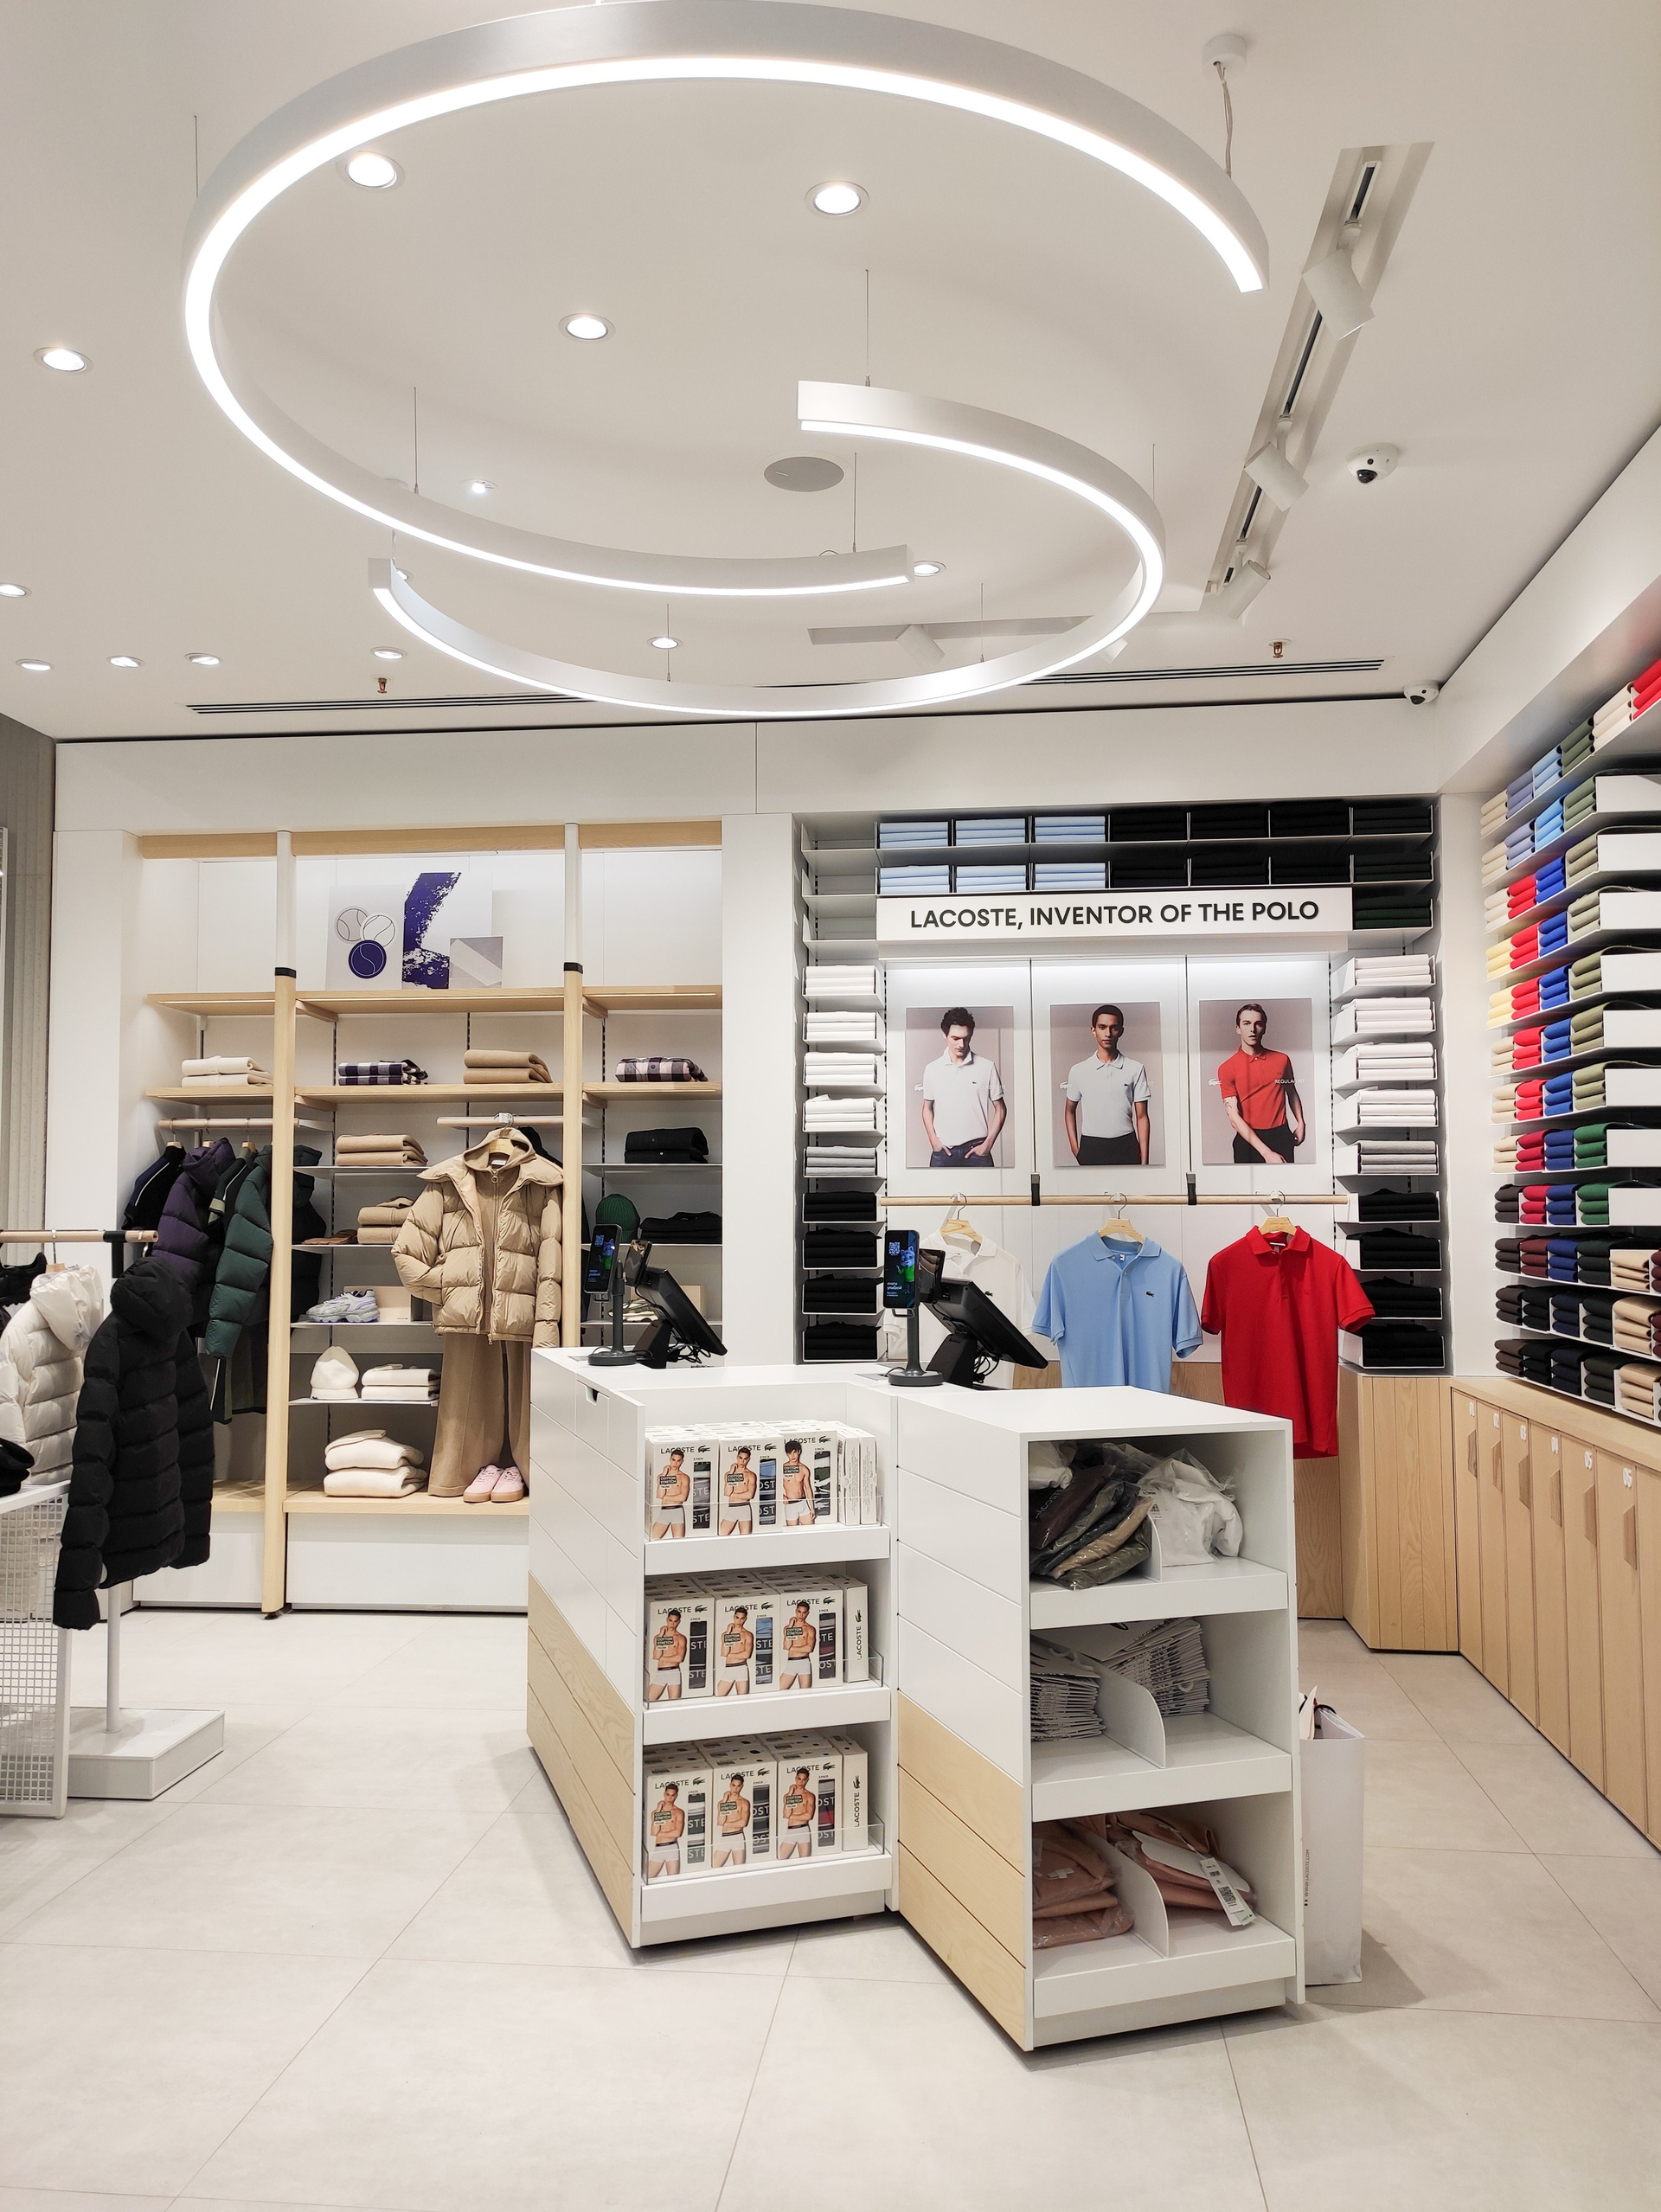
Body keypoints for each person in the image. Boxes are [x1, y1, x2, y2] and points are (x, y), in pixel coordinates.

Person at [1062, 1003, 1151, 1166]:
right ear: (1093, 1030)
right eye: (1102, 1027)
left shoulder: (1135, 1068)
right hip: (1091, 1146)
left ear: (1121, 1031)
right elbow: (1069, 1111)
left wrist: (1144, 1161)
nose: (1108, 1034)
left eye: (1114, 1028)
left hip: (1126, 1145)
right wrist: (1075, 1149)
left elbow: (1142, 1117)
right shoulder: (1078, 1070)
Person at [1217, 1003, 1305, 1164]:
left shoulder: (1282, 1060)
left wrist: (1301, 1123)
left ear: (1264, 1028)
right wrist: (1266, 1152)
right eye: (1246, 1024)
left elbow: (1291, 1092)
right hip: (1248, 1141)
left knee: (1286, 1181)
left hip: (1281, 1136)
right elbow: (1234, 1118)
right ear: (1238, 1028)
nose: (1252, 1029)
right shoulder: (1227, 1068)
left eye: (1258, 1024)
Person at [920, 1006, 1005, 1167]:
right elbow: (927, 1107)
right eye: (955, 1038)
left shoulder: (987, 1067)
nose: (961, 1044)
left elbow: (1000, 1109)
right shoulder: (932, 1069)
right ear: (944, 1035)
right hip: (943, 1152)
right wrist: (933, 1139)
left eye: (966, 1038)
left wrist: (988, 1145)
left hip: (978, 1152)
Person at [647, 1780, 684, 1878]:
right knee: (647, 1876)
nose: (670, 1798)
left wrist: (659, 1833)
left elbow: (677, 1833)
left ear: (676, 1796)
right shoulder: (656, 1812)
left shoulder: (678, 1812)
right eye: (668, 1795)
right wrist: (658, 1811)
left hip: (672, 1847)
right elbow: (654, 1831)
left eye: (672, 1795)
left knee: (673, 1879)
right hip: (659, 1847)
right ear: (664, 1794)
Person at [647, 1607, 686, 1701]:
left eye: (675, 1621)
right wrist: (661, 1635)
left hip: (674, 1672)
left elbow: (679, 1658)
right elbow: (656, 1655)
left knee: (674, 1703)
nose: (672, 1624)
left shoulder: (681, 1638)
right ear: (667, 1620)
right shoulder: (658, 1637)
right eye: (670, 1620)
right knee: (648, 1699)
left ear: (678, 1622)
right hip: (661, 1672)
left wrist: (661, 1657)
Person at [651, 1446, 689, 1540]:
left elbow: (683, 1497)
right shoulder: (662, 1476)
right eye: (673, 1460)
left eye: (678, 1461)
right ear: (670, 1459)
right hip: (664, 1511)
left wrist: (665, 1497)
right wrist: (664, 1475)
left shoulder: (684, 1477)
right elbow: (660, 1495)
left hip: (677, 1511)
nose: (675, 1463)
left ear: (682, 1462)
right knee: (653, 1538)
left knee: (678, 1542)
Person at [714, 1773, 750, 1867]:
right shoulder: (722, 1802)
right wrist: (724, 1801)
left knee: (739, 1869)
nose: (735, 1788)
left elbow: (743, 1823)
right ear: (730, 1785)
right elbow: (720, 1821)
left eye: (738, 1786)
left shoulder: (744, 1802)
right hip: (725, 1837)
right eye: (733, 1785)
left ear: (741, 1787)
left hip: (738, 1837)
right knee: (714, 1866)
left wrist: (725, 1823)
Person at [716, 1603, 753, 1696]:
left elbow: (747, 1655)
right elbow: (724, 1652)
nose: (739, 1621)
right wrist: (728, 1633)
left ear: (745, 1619)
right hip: (729, 1668)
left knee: (743, 1699)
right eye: (737, 1618)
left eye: (742, 1618)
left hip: (742, 1668)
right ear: (734, 1617)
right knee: (718, 1696)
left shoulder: (748, 1635)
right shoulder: (726, 1634)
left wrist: (730, 1654)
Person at [779, 1765, 814, 1858]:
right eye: (799, 1779)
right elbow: (786, 1814)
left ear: (807, 1780)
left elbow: (808, 1816)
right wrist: (790, 1793)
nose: (801, 1782)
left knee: (805, 1861)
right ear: (796, 1778)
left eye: (804, 1779)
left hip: (804, 1829)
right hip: (791, 1830)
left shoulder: (809, 1796)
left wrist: (791, 1816)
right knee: (780, 1857)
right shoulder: (787, 1796)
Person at [719, 1444, 755, 1535]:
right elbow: (727, 1491)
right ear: (737, 1457)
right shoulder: (729, 1474)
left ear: (748, 1459)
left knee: (745, 1538)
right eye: (740, 1458)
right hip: (732, 1508)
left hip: (744, 1508)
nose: (742, 1461)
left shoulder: (751, 1475)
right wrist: (731, 1472)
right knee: (721, 1534)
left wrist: (732, 1494)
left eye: (745, 1459)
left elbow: (750, 1495)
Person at [780, 1600, 816, 1689]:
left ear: (807, 1613)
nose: (801, 1615)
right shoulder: (788, 1628)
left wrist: (791, 1648)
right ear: (796, 1611)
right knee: (780, 1689)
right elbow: (787, 1645)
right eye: (799, 1612)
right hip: (791, 1662)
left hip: (804, 1662)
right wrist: (790, 1627)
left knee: (805, 1692)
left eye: (804, 1613)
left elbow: (809, 1649)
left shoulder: (810, 1629)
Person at [780, 1437, 815, 1526]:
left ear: (799, 1452)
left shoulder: (804, 1469)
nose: (792, 1456)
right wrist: (781, 1496)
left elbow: (808, 1488)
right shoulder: (782, 1469)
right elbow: (774, 1486)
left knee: (810, 1530)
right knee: (792, 1533)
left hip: (803, 1503)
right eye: (789, 1453)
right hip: (791, 1505)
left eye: (794, 1452)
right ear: (787, 1454)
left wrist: (812, 1507)